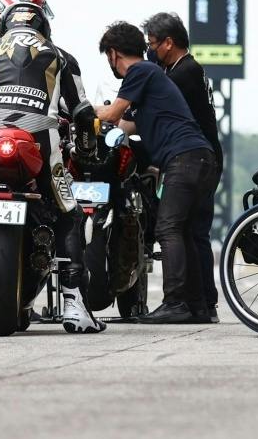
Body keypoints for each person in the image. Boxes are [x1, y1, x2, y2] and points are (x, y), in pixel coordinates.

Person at [0, 0, 104, 333]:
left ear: (4, 26)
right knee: (70, 213)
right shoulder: (62, 56)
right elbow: (83, 112)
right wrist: (87, 149)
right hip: (40, 139)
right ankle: (73, 304)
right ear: (44, 27)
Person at [99, 21, 219, 325]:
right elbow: (124, 124)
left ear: (113, 54)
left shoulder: (140, 71)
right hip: (199, 158)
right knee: (186, 231)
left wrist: (80, 108)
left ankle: (174, 302)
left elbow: (111, 114)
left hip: (185, 159)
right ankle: (197, 307)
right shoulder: (150, 78)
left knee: (168, 228)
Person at [142, 11, 222, 324]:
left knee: (176, 228)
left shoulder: (183, 73)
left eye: (153, 44)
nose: (151, 50)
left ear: (168, 43)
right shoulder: (188, 69)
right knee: (193, 232)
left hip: (193, 158)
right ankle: (203, 304)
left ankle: (183, 302)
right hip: (207, 157)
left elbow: (154, 101)